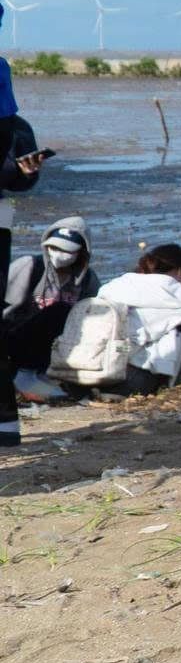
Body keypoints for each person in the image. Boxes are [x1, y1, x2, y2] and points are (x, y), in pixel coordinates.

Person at [87, 244, 181, 393]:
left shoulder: (116, 286)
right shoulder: (179, 295)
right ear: (180, 271)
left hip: (82, 373)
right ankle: (173, 385)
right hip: (128, 382)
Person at [7, 218, 97, 395]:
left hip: (53, 347)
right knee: (58, 311)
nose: (58, 254)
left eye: (66, 250)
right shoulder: (30, 265)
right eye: (54, 248)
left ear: (81, 252)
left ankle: (44, 375)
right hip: (14, 338)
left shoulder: (87, 279)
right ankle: (25, 375)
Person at [0, 102, 46, 442]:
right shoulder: (18, 126)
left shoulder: (17, 128)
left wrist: (25, 172)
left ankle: (5, 426)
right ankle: (5, 427)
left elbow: (20, 182)